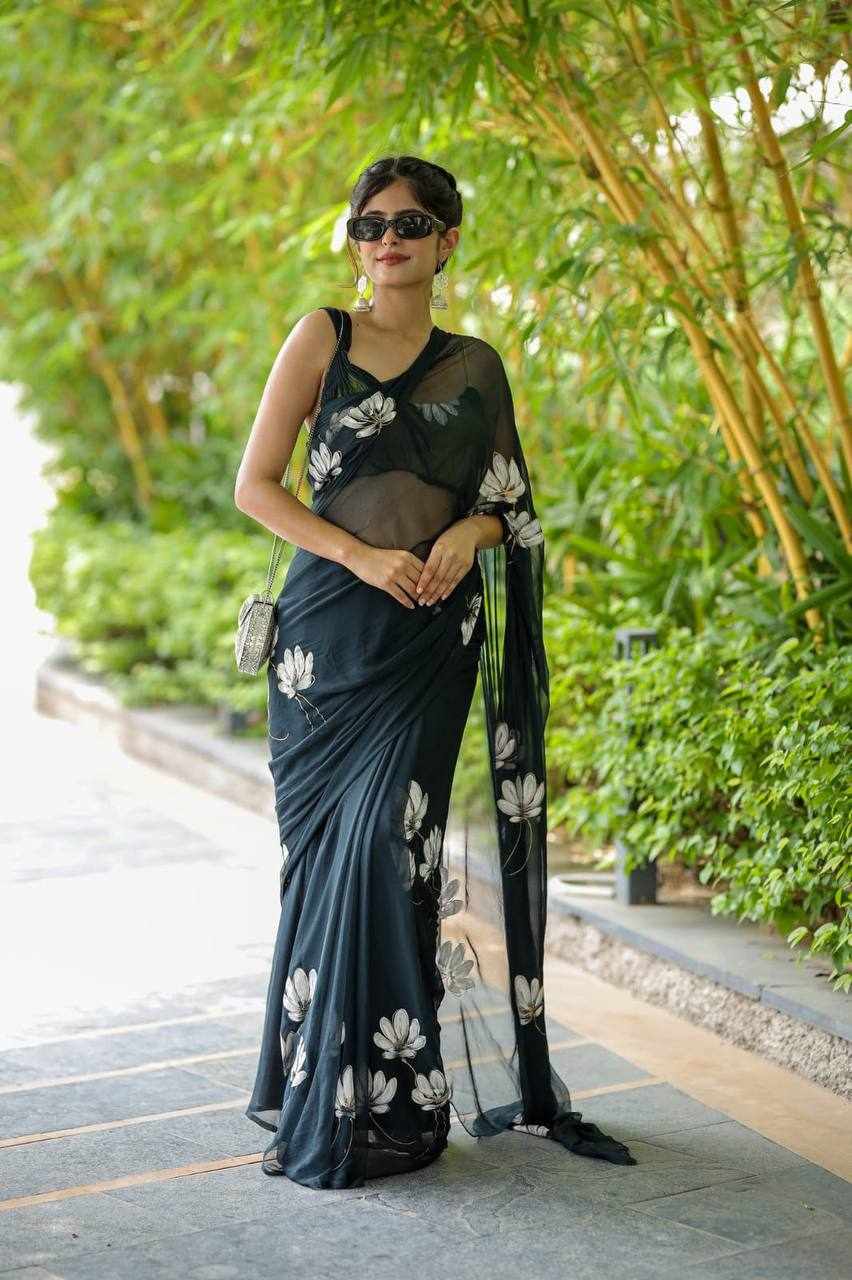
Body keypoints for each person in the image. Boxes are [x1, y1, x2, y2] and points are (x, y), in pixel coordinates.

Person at [234, 154, 636, 1189]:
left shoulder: (476, 366)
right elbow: (256, 486)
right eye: (368, 225)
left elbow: (510, 503)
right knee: (329, 858)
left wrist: (468, 532)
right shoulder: (321, 337)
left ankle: (397, 1106)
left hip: (428, 640)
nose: (386, 241)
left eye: (409, 223)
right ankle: (328, 1096)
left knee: (393, 848)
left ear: (447, 239)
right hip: (328, 644)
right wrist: (360, 555)